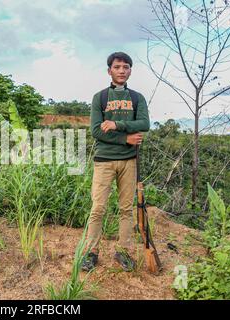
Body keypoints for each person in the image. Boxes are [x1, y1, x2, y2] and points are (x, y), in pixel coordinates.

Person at [82, 52, 150, 272]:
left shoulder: (137, 98)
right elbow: (95, 131)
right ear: (109, 70)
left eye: (126, 67)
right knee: (98, 208)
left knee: (125, 209)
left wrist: (116, 125)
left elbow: (145, 123)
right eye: (117, 66)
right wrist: (126, 138)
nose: (122, 70)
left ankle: (123, 252)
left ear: (130, 70)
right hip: (104, 162)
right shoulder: (100, 98)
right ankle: (91, 253)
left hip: (129, 161)